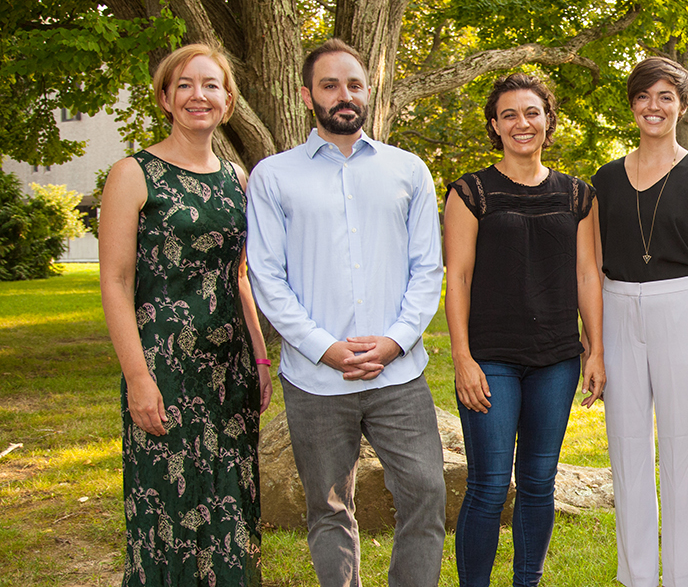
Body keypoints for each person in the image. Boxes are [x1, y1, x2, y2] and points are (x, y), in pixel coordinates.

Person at [246, 38, 445, 587]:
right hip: (314, 379)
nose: (344, 95)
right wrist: (325, 348)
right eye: (330, 85)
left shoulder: (409, 171)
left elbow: (428, 268)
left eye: (354, 84)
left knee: (426, 495)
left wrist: (394, 341)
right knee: (329, 508)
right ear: (306, 94)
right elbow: (267, 275)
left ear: (368, 91)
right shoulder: (273, 176)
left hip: (398, 374)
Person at [99, 43, 270, 587]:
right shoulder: (133, 173)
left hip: (229, 369)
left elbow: (238, 275)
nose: (199, 95)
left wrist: (261, 359)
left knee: (229, 503)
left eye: (211, 85)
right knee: (167, 505)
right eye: (186, 85)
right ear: (166, 99)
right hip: (163, 365)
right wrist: (137, 377)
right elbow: (116, 281)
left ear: (228, 100)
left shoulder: (238, 180)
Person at [442, 72, 606, 587]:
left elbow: (587, 274)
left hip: (556, 358)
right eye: (509, 114)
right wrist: (463, 358)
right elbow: (459, 278)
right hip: (490, 357)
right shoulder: (470, 191)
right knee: (489, 486)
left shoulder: (579, 194)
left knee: (538, 482)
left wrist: (595, 350)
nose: (522, 123)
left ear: (548, 121)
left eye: (532, 112)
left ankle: (527, 582)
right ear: (495, 125)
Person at [591, 56, 688, 587]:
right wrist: (594, 343)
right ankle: (636, 578)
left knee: (683, 447)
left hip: (686, 304)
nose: (654, 106)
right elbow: (596, 263)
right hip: (619, 306)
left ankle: (682, 578)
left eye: (666, 97)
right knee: (626, 446)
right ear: (633, 106)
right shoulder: (604, 179)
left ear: (681, 105)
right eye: (644, 96)